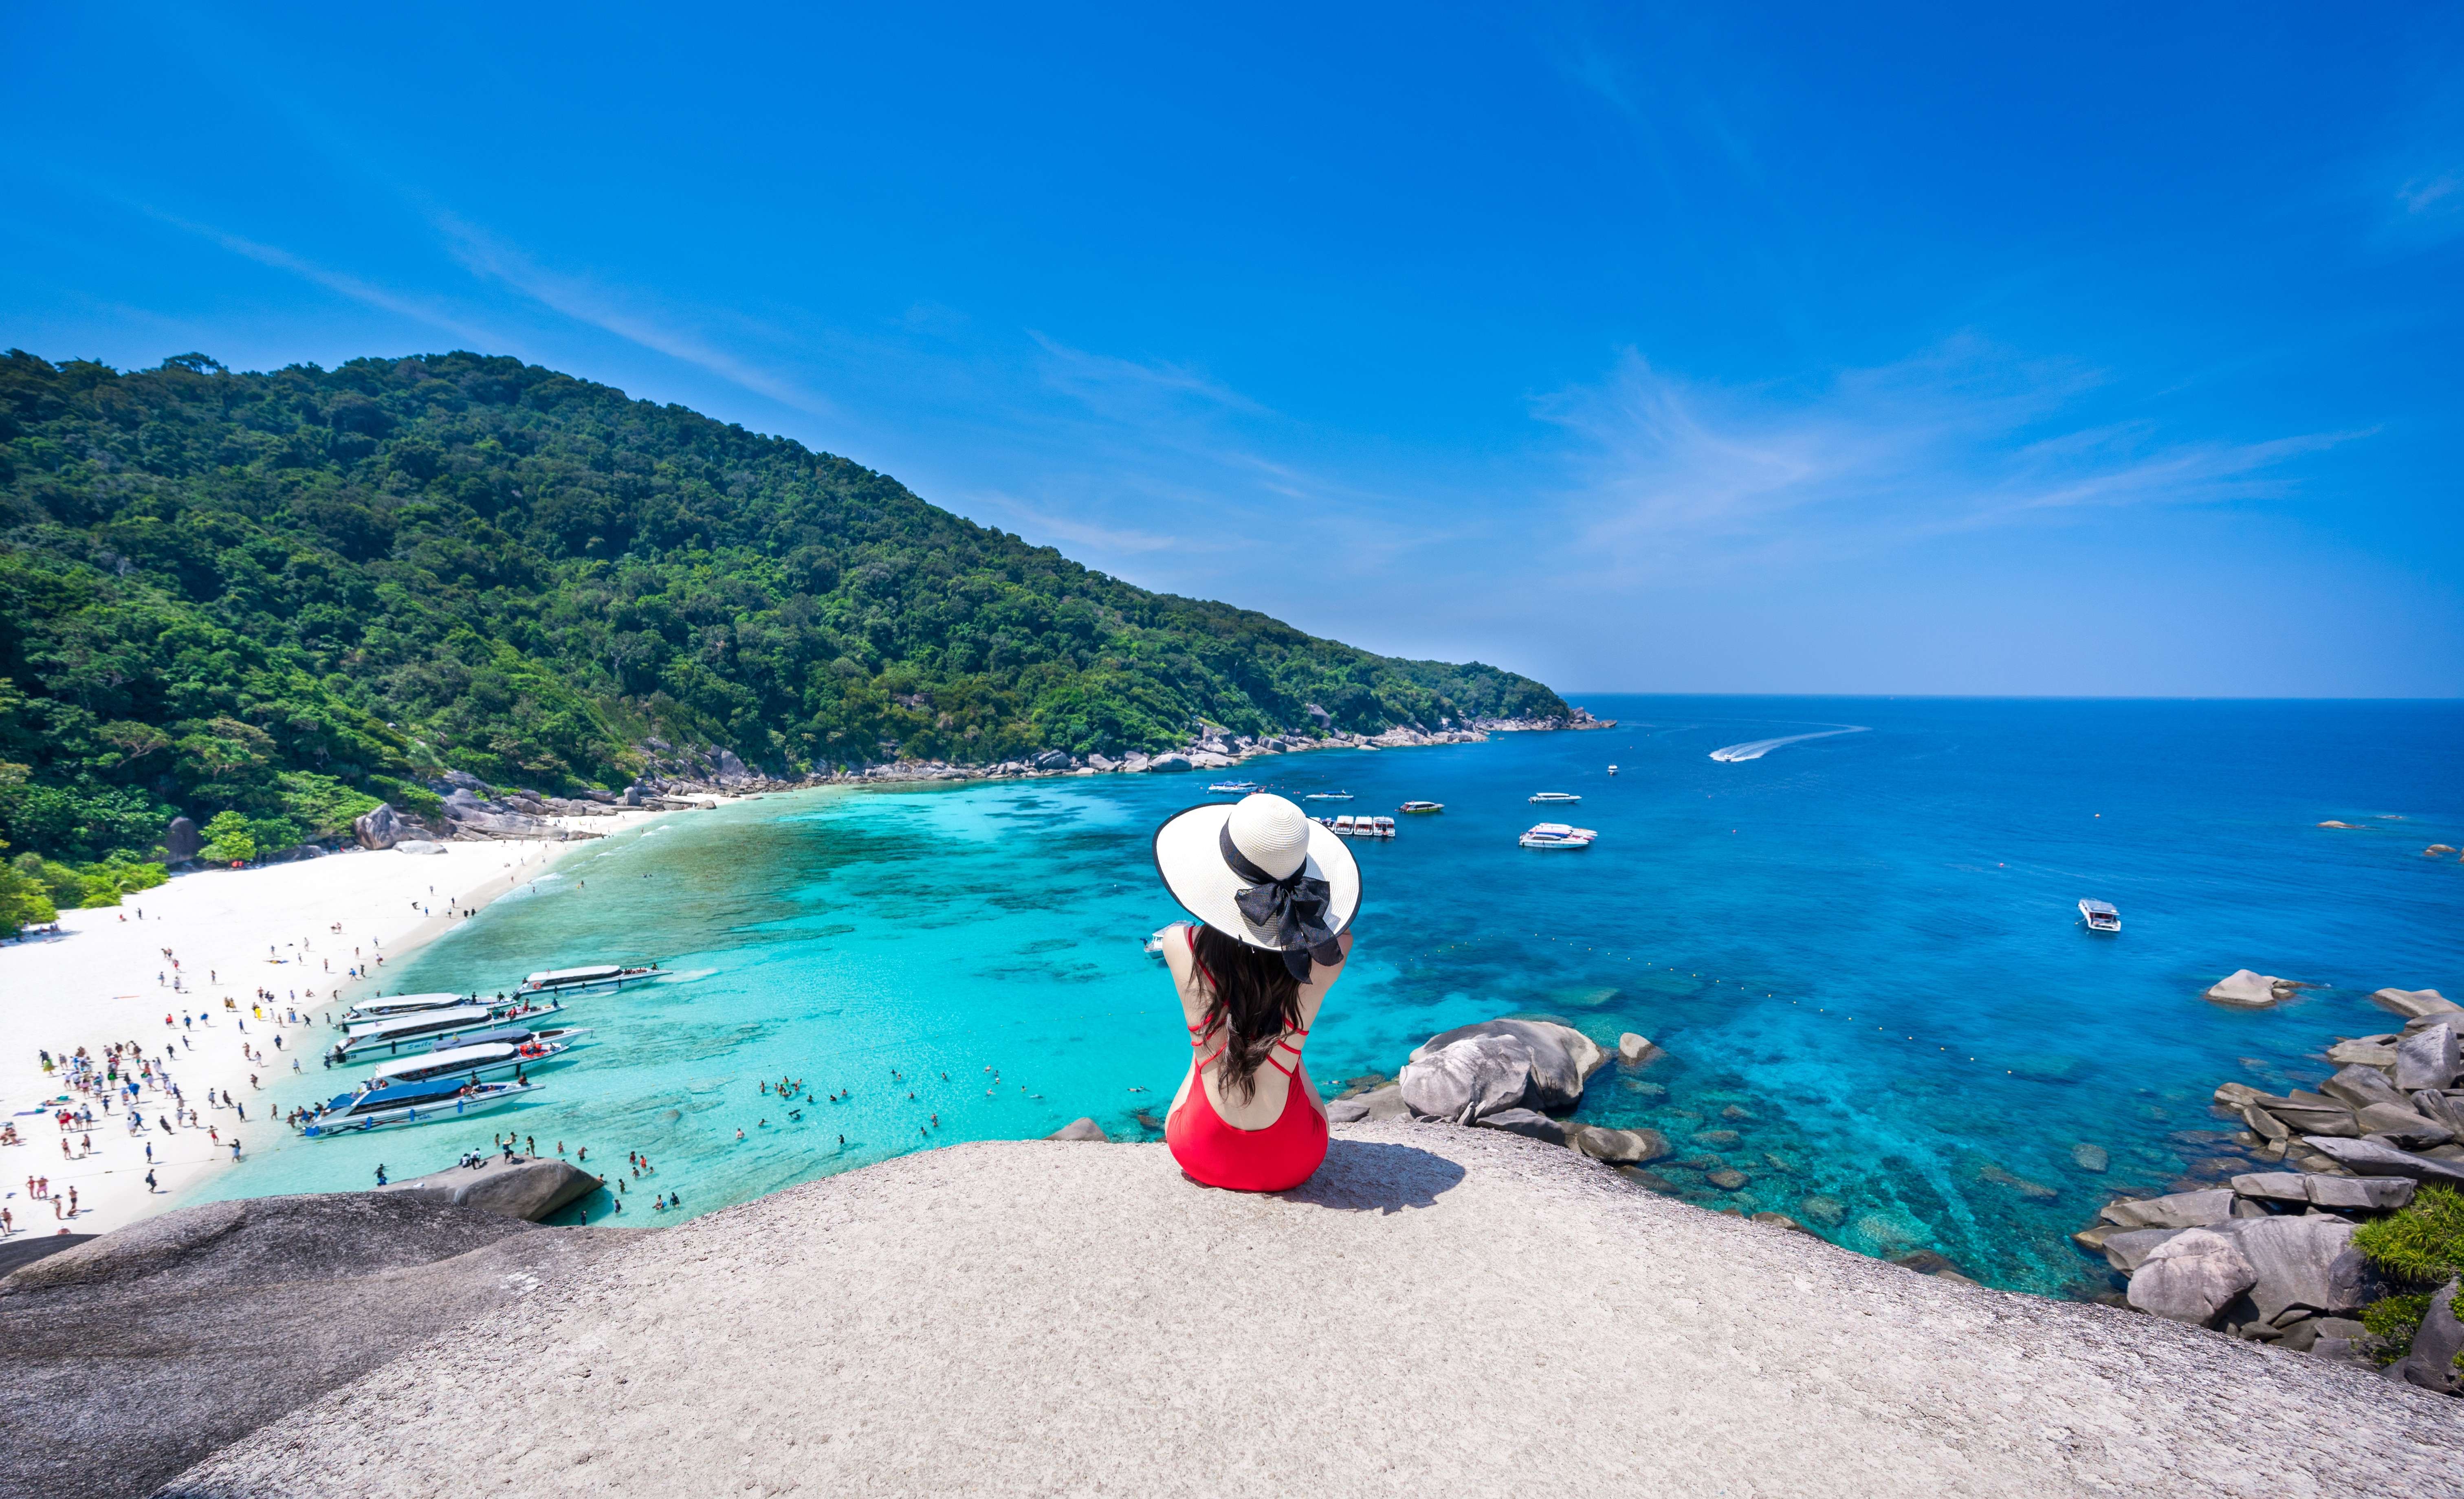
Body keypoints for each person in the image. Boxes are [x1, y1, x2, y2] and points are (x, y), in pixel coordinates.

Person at [1150, 793, 1358, 1193]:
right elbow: (1339, 934)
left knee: (1206, 1052)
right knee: (1288, 1052)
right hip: (1295, 1158)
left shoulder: (1179, 944)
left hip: (1198, 1148)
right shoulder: (1333, 954)